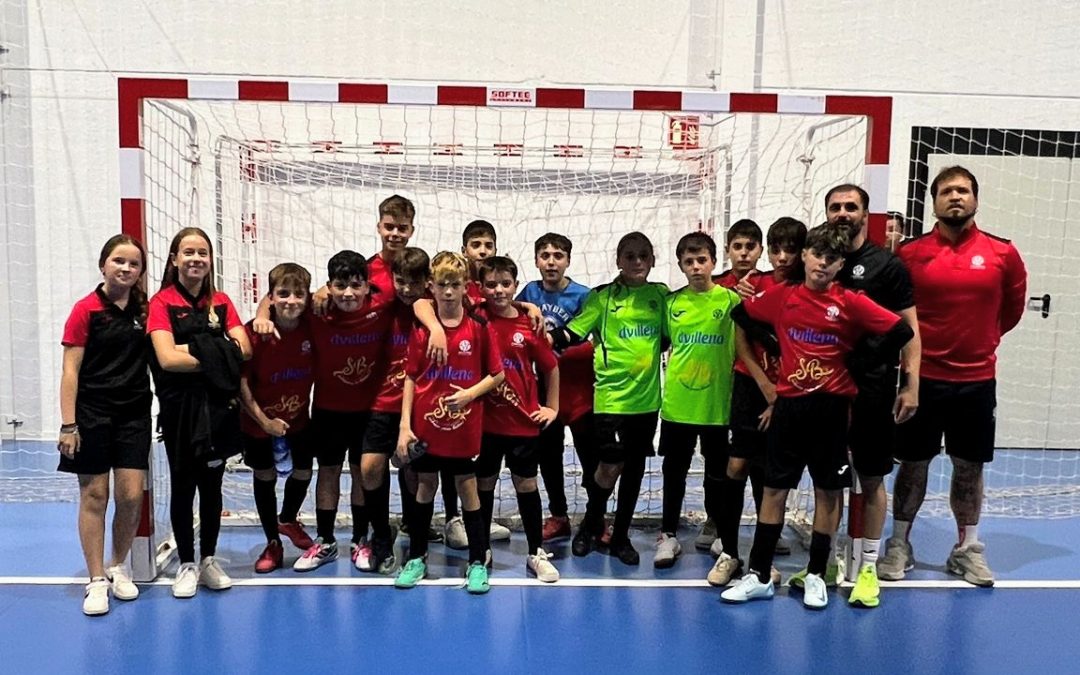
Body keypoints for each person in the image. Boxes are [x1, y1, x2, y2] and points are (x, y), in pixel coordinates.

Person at [722, 223, 913, 609]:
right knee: (774, 489)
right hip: (789, 408)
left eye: (832, 258)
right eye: (817, 255)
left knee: (828, 491)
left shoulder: (850, 301)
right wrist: (775, 343)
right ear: (805, 256)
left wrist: (858, 362)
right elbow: (742, 315)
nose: (822, 263)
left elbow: (900, 331)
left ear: (841, 264)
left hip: (831, 410)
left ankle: (814, 575)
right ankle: (759, 575)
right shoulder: (784, 296)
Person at [879, 166, 1027, 587]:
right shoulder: (910, 254)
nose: (955, 197)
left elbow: (1011, 310)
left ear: (976, 199)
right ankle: (900, 544)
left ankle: (967, 549)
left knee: (969, 467)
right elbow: (894, 312)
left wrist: (979, 343)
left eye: (963, 190)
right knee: (912, 464)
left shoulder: (1003, 253)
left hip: (976, 382)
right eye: (946, 191)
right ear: (934, 202)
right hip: (920, 380)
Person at [796, 184, 920, 608]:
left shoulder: (888, 266)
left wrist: (911, 383)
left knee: (871, 476)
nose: (843, 213)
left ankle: (867, 568)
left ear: (867, 214)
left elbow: (909, 328)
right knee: (828, 479)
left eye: (851, 206)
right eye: (835, 206)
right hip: (822, 388)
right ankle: (827, 562)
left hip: (872, 389)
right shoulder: (818, 260)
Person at [553, 232, 669, 566]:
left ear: (652, 260)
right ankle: (591, 524)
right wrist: (539, 336)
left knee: (634, 470)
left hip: (646, 403)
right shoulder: (602, 298)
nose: (637, 262)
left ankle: (620, 537)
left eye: (643, 256)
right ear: (618, 260)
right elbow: (572, 332)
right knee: (609, 465)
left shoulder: (661, 296)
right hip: (610, 401)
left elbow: (668, 338)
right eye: (629, 256)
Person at [148, 227, 252, 599]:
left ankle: (208, 558)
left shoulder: (220, 302)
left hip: (218, 410)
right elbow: (166, 359)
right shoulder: (161, 302)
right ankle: (187, 563)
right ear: (175, 258)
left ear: (210, 260)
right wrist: (218, 353)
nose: (196, 259)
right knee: (183, 485)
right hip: (180, 411)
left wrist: (192, 349)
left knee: (212, 486)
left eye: (202, 253)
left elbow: (244, 349)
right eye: (188, 252)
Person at [394, 252, 505, 593]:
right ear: (431, 286)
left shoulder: (479, 328)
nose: (448, 291)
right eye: (442, 285)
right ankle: (417, 558)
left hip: (464, 429)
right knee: (425, 486)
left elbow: (497, 375)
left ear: (465, 287)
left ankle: (477, 561)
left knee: (467, 488)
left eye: (455, 285)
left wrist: (470, 394)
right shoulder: (422, 329)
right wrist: (404, 426)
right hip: (427, 427)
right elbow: (411, 377)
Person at [709, 217, 806, 587]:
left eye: (790, 250)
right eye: (777, 249)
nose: (783, 257)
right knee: (736, 465)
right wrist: (764, 384)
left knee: (770, 477)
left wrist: (778, 396)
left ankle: (762, 560)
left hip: (789, 394)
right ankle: (729, 552)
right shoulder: (755, 284)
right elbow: (741, 337)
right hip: (751, 387)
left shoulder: (808, 290)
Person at [59, 235, 153, 615]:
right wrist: (69, 425)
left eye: (133, 263)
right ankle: (96, 579)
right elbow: (70, 370)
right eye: (118, 261)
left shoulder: (146, 310)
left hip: (134, 415)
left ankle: (118, 565)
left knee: (130, 496)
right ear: (103, 265)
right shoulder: (86, 310)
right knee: (95, 495)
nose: (126, 268)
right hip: (92, 415)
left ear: (140, 271)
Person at [289, 251, 391, 572]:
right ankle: (326, 540)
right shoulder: (317, 310)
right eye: (340, 285)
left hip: (368, 412)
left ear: (367, 286)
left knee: (361, 473)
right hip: (327, 409)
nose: (348, 293)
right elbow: (273, 299)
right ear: (329, 286)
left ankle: (360, 539)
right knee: (328, 471)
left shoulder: (382, 308)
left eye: (356, 285)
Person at [653, 232, 740, 569]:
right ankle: (668, 534)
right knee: (674, 471)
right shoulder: (671, 303)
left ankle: (715, 525)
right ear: (681, 266)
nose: (696, 267)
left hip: (717, 404)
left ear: (714, 262)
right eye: (688, 262)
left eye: (701, 260)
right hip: (678, 404)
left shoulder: (731, 301)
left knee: (717, 472)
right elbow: (658, 342)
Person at [476, 256, 561, 582]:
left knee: (526, 484)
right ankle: (481, 550)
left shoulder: (529, 325)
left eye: (505, 284)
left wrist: (551, 407)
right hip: (485, 423)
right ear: (481, 287)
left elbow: (551, 367)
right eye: (491, 285)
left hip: (523, 422)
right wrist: (528, 303)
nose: (498, 290)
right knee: (483, 484)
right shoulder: (476, 317)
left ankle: (536, 551)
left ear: (515, 285)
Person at [515, 233, 594, 542]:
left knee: (590, 454)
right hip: (542, 388)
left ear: (568, 261)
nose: (551, 262)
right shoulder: (529, 293)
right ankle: (558, 515)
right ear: (536, 260)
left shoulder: (584, 295)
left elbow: (594, 339)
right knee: (549, 455)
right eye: (545, 255)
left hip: (579, 388)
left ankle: (596, 517)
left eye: (558, 256)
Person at [239, 263, 317, 573]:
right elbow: (241, 385)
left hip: (298, 419)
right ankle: (273, 541)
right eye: (283, 294)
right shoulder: (254, 334)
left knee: (304, 471)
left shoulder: (312, 325)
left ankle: (287, 518)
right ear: (271, 297)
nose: (291, 301)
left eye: (299, 294)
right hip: (258, 422)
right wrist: (264, 422)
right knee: (265, 476)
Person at [362, 247, 432, 574]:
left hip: (421, 406)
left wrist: (525, 306)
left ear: (427, 281)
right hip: (381, 403)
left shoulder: (434, 310)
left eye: (413, 282)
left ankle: (416, 537)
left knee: (415, 474)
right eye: (400, 281)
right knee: (370, 468)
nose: (406, 288)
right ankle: (380, 534)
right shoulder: (380, 309)